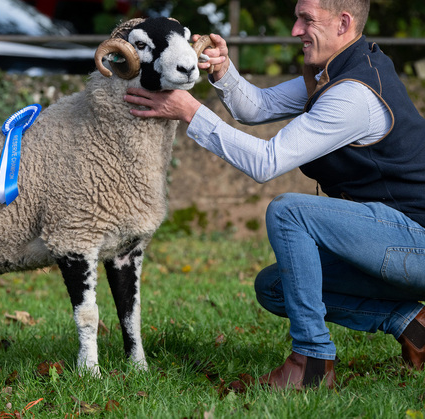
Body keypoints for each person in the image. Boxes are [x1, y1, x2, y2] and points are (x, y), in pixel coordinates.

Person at [124, 0, 425, 390]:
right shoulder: (335, 71)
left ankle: (312, 363)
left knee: (290, 212)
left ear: (344, 22)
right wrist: (224, 71)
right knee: (276, 287)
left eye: (306, 20)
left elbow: (267, 162)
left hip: (416, 243)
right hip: (396, 241)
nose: (296, 30)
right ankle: (411, 325)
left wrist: (190, 111)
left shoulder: (353, 94)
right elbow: (259, 107)